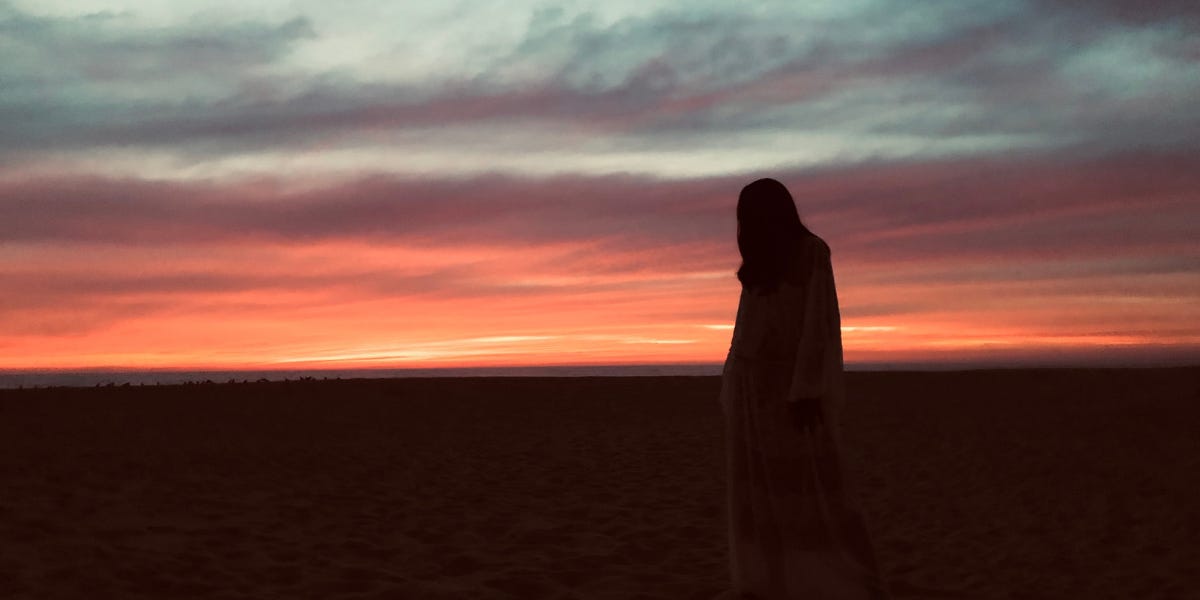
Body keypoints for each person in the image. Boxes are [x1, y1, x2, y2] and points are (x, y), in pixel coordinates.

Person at [717, 178, 891, 599]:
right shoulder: (758, 265)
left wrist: (806, 389)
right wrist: (734, 384)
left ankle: (830, 577)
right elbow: (746, 330)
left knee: (812, 485)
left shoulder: (812, 252)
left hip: (789, 387)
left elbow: (819, 325)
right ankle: (769, 579)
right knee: (762, 489)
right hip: (752, 387)